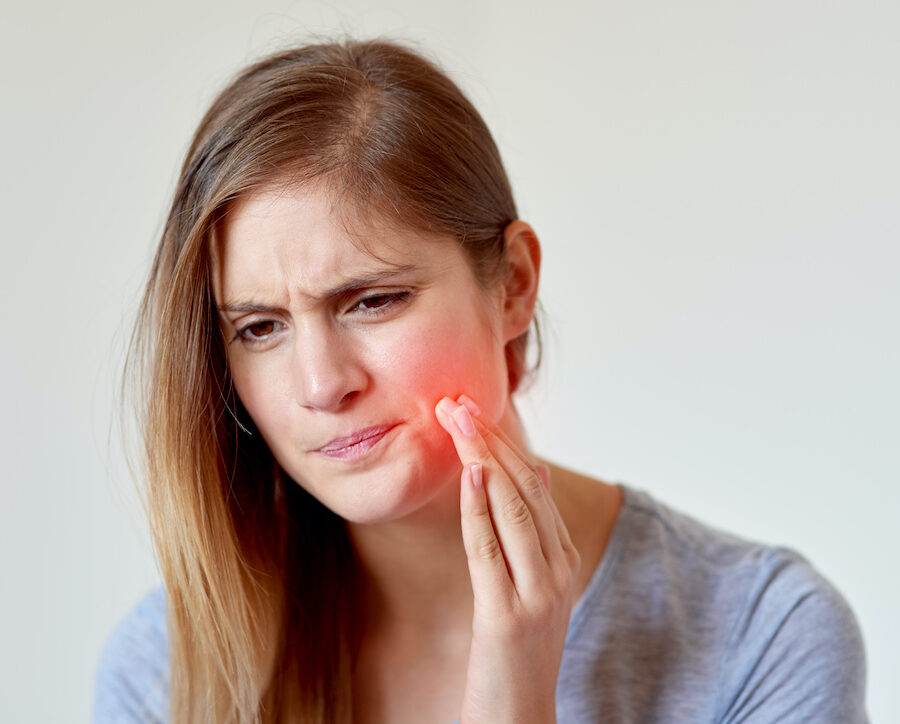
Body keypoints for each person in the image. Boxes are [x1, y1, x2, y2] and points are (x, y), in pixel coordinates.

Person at [94, 38, 868, 723]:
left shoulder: (763, 638)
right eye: (259, 328)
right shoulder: (164, 670)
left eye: (372, 300)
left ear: (514, 285)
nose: (321, 384)